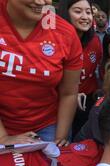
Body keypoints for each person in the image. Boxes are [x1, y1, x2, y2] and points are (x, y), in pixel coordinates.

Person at [0, 0, 82, 146]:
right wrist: (2, 138)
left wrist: (58, 139)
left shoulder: (66, 34)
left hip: (47, 126)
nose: (41, 2)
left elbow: (69, 93)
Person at [58, 0, 103, 139]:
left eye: (88, 12)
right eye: (78, 11)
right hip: (58, 102)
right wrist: (72, 94)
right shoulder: (55, 39)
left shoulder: (95, 41)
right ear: (66, 14)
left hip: (87, 101)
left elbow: (99, 70)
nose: (85, 17)